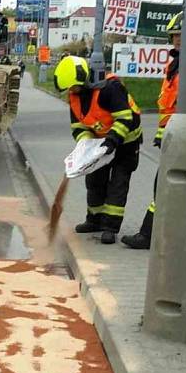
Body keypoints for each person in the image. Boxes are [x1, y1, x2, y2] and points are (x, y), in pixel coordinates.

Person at [53, 55, 142, 244]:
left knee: (118, 184)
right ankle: (94, 220)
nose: (71, 91)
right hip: (99, 145)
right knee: (94, 180)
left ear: (84, 80)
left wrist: (111, 142)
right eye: (68, 89)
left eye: (73, 87)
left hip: (126, 143)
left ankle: (110, 228)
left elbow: (125, 118)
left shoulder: (110, 89)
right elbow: (78, 126)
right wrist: (85, 146)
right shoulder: (75, 96)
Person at [121, 11, 182, 250]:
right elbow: (168, 103)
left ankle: (149, 235)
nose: (177, 39)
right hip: (175, 134)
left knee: (165, 185)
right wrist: (161, 132)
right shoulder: (174, 64)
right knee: (167, 185)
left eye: (181, 35)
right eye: (174, 35)